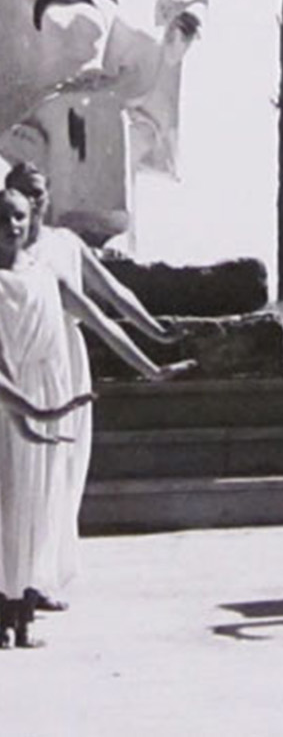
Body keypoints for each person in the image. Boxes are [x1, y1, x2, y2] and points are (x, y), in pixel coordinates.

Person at [5, 161, 190, 597]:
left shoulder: (63, 246)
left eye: (37, 193)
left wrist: (156, 333)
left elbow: (110, 296)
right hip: (11, 364)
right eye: (21, 192)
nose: (31, 202)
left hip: (60, 363)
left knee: (61, 471)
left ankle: (42, 578)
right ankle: (14, 582)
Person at [0, 0, 205, 247]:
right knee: (75, 110)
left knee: (107, 110)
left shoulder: (103, 9)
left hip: (95, 95)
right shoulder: (25, 3)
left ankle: (106, 220)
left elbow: (141, 53)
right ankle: (67, 216)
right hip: (45, 99)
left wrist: (171, 37)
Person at [0, 187, 98, 648]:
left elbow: (100, 317)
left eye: (18, 216)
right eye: (3, 218)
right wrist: (30, 413)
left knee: (38, 501)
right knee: (6, 502)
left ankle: (23, 616)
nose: (12, 226)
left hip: (44, 392)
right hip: (13, 402)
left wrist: (154, 362)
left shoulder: (45, 273)